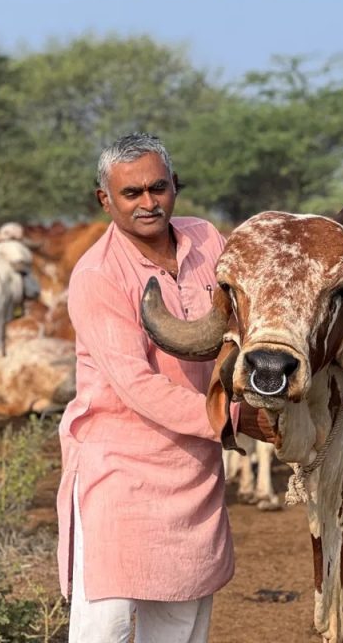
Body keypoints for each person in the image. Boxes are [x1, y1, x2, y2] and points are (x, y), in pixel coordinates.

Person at [56, 133, 256, 643]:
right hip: (120, 468)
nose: (149, 203)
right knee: (105, 626)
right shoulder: (97, 275)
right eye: (131, 193)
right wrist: (235, 418)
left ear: (174, 188)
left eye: (158, 188)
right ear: (105, 200)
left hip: (195, 466)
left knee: (180, 627)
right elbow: (136, 386)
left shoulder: (208, 241)